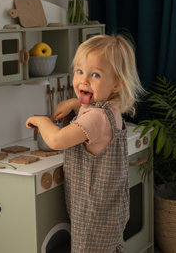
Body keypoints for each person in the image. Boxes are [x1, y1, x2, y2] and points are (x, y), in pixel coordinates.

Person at [25, 34, 145, 252]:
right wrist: (74, 103)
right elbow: (92, 114)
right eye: (79, 71)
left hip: (93, 217)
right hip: (111, 210)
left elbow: (56, 140)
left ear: (116, 83)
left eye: (95, 75)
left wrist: (41, 121)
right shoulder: (111, 109)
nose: (83, 80)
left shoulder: (96, 117)